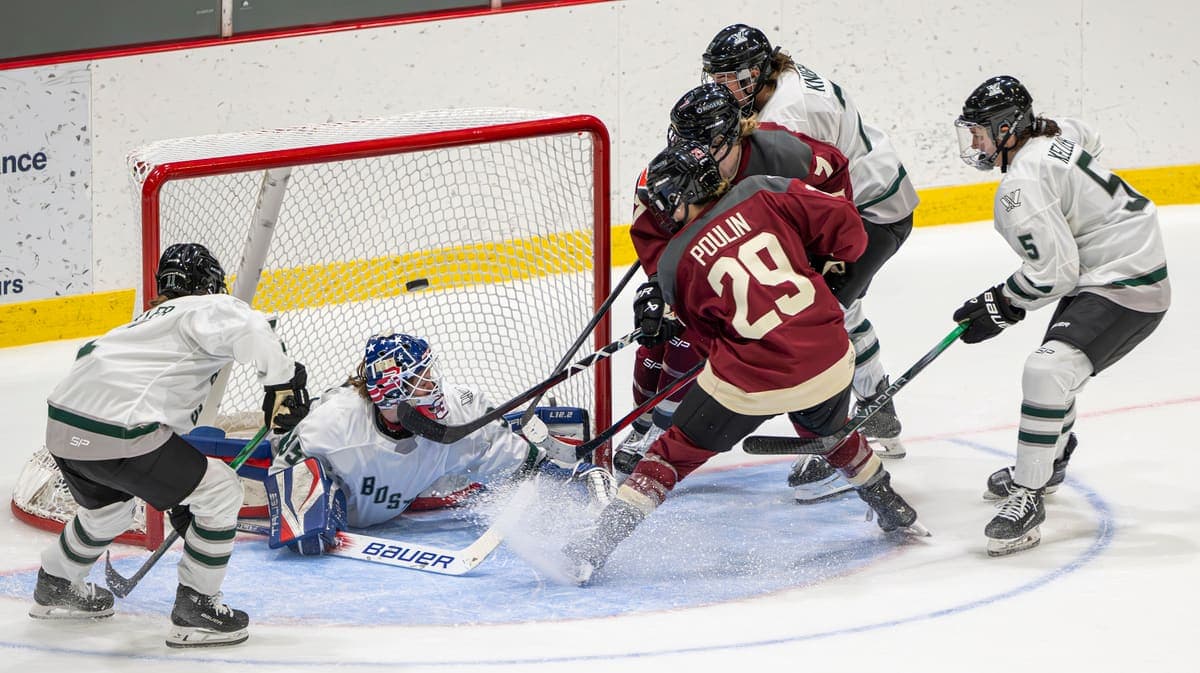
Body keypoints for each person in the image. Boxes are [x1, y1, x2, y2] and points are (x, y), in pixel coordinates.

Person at [563, 140, 927, 584]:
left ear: (681, 198)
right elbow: (850, 231)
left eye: (665, 204)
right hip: (832, 357)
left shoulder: (675, 262)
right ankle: (890, 503)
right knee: (829, 430)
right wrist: (818, 263)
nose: (662, 215)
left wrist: (675, 323)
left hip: (754, 381)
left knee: (672, 452)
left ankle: (597, 543)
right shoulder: (762, 190)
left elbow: (707, 344)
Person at [30, 243, 310, 648]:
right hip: (121, 434)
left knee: (109, 512)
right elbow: (253, 327)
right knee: (220, 490)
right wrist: (285, 382)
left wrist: (178, 496)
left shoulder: (138, 326)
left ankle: (56, 583)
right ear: (210, 285)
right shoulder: (205, 307)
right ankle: (198, 606)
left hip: (62, 432)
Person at [700, 24, 921, 503]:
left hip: (871, 212)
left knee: (813, 314)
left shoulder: (789, 115)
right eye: (713, 79)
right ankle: (877, 410)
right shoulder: (780, 84)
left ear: (757, 73)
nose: (719, 90)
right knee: (842, 307)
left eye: (728, 80)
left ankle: (833, 441)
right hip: (865, 197)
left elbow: (800, 199)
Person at [951, 75, 1169, 556]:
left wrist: (1000, 304)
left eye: (980, 131)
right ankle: (1048, 462)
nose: (974, 142)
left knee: (1047, 369)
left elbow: (1054, 273)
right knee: (1057, 370)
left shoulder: (1020, 184)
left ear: (1009, 128)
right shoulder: (1052, 135)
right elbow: (1087, 135)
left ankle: (1028, 495)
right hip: (1110, 269)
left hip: (1128, 283)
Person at [616, 82, 854, 488]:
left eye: (707, 143)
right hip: (708, 267)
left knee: (804, 335)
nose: (697, 155)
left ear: (732, 137)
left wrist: (825, 256)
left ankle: (825, 433)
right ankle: (644, 425)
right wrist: (661, 288)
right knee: (660, 339)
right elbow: (653, 238)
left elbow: (834, 173)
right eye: (686, 141)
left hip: (786, 266)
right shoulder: (666, 176)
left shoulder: (782, 152)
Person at [268, 332, 616, 539]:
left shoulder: (459, 412)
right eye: (421, 379)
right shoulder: (332, 427)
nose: (433, 384)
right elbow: (282, 468)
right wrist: (305, 509)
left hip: (416, 484)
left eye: (430, 373)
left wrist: (569, 478)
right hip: (354, 471)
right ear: (392, 391)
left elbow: (518, 465)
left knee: (460, 465)